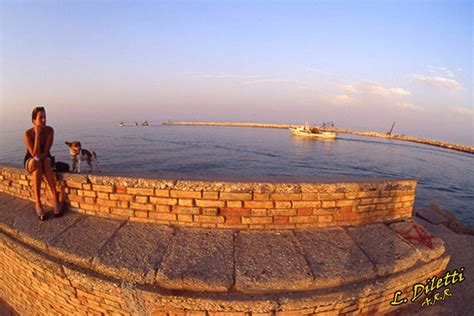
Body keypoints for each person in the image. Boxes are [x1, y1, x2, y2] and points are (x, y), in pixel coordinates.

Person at [23, 106, 62, 220]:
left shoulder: (50, 130)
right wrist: (37, 135)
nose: (44, 120)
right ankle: (38, 203)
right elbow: (33, 154)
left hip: (44, 157)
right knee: (36, 165)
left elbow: (46, 151)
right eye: (41, 118)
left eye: (45, 117)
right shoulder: (28, 134)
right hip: (30, 160)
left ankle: (56, 200)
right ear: (34, 121)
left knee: (44, 162)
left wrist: (39, 158)